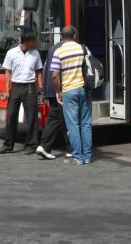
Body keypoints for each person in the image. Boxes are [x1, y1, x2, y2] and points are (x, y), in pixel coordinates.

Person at [51, 26, 92, 165]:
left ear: (61, 38)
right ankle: (87, 156)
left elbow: (55, 75)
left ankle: (78, 157)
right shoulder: (83, 48)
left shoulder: (58, 51)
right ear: (74, 36)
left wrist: (58, 92)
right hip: (84, 89)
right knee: (86, 124)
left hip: (69, 91)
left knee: (73, 125)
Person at [0, 31, 43, 155]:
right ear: (27, 42)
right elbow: (8, 72)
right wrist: (7, 90)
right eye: (33, 41)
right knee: (11, 115)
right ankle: (8, 145)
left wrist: (41, 88)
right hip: (16, 86)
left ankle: (31, 145)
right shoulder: (11, 53)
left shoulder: (35, 53)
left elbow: (39, 71)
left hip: (30, 87)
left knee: (32, 116)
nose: (35, 43)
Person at [36, 39, 71, 160]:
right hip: (60, 89)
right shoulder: (70, 48)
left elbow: (47, 69)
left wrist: (45, 90)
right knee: (67, 119)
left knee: (53, 118)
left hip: (50, 89)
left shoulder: (52, 48)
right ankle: (70, 148)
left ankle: (44, 146)